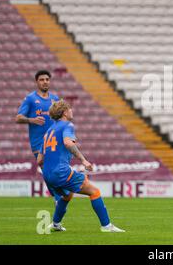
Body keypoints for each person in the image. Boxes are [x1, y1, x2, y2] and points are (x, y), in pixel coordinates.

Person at [36, 100, 124, 233]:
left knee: (67, 196)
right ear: (65, 112)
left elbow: (39, 160)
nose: (72, 111)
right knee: (94, 192)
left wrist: (50, 172)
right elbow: (68, 143)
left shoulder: (49, 131)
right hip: (60, 172)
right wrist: (83, 160)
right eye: (70, 109)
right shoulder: (67, 125)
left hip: (48, 175)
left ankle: (55, 224)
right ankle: (106, 226)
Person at [16, 70, 61, 203]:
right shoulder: (30, 99)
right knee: (48, 170)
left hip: (53, 141)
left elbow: (60, 119)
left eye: (47, 79)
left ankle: (58, 197)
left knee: (55, 170)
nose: (45, 82)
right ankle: (57, 197)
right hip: (38, 142)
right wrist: (32, 120)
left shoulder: (55, 99)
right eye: (42, 79)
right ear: (37, 82)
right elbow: (18, 118)